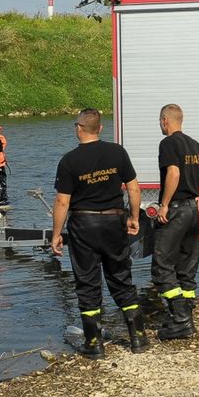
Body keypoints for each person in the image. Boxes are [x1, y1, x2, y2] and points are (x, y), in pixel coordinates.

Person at [49, 108, 147, 358]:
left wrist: (56, 234)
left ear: (78, 129)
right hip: (115, 222)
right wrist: (134, 218)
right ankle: (138, 337)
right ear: (100, 128)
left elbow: (62, 202)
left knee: (87, 281)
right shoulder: (117, 152)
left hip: (84, 226)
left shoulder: (69, 161)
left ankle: (94, 344)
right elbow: (134, 189)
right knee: (121, 277)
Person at [151, 104, 199, 340]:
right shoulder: (193, 144)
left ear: (165, 121)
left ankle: (181, 322)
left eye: (160, 121)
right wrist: (197, 193)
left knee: (161, 266)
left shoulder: (168, 144)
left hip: (177, 211)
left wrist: (164, 205)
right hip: (192, 212)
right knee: (187, 267)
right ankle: (187, 314)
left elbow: (174, 174)